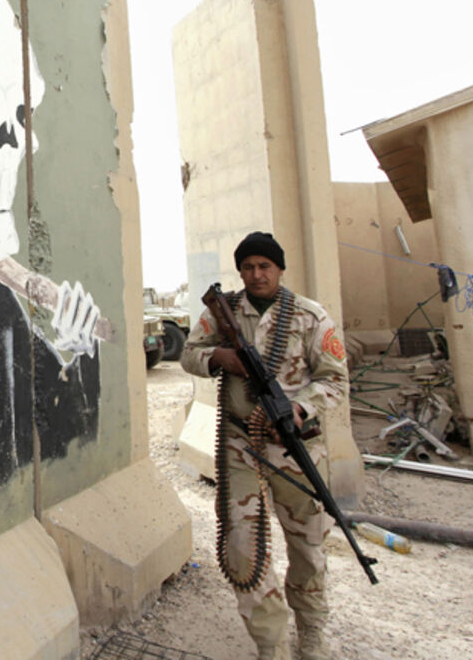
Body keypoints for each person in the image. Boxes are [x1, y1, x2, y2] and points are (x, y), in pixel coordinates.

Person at [181, 232, 348, 660]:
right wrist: (221, 358)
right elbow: (188, 355)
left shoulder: (310, 317)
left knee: (308, 546)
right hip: (241, 443)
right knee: (242, 549)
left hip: (297, 448)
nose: (256, 275)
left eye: (265, 267)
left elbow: (335, 381)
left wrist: (298, 409)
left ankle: (311, 631)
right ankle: (270, 644)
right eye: (248, 267)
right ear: (240, 271)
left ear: (279, 269)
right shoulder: (223, 312)